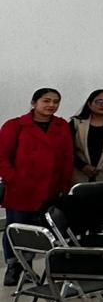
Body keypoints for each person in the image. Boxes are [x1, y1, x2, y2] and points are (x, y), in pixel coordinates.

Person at [0, 89, 74, 285]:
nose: (51, 105)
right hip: (21, 188)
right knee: (16, 228)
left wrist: (64, 184)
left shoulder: (61, 126)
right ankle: (14, 267)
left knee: (41, 229)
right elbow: (2, 157)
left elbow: (67, 156)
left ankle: (32, 266)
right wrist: (13, 179)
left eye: (56, 101)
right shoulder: (15, 125)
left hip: (50, 188)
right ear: (34, 103)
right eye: (46, 101)